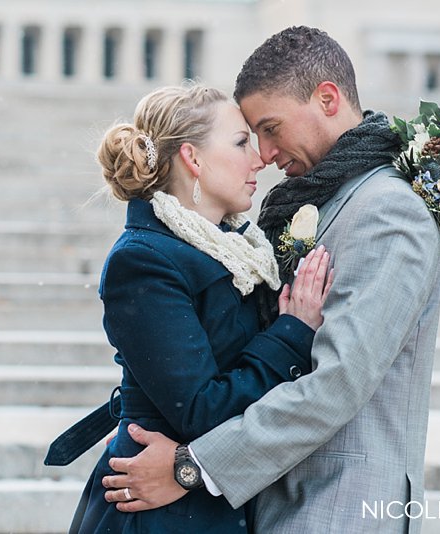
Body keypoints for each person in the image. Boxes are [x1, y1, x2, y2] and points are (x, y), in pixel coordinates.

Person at [101, 26, 440, 534]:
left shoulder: (388, 212)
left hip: (340, 505)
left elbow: (335, 384)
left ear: (327, 99)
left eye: (269, 128)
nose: (263, 153)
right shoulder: (315, 201)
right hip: (273, 501)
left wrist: (193, 466)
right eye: (248, 137)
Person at [63, 83, 334, 533]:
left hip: (202, 495)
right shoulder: (143, 260)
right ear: (193, 159)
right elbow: (201, 410)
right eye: (241, 142)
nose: (260, 158)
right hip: (158, 511)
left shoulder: (236, 251)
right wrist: (292, 331)